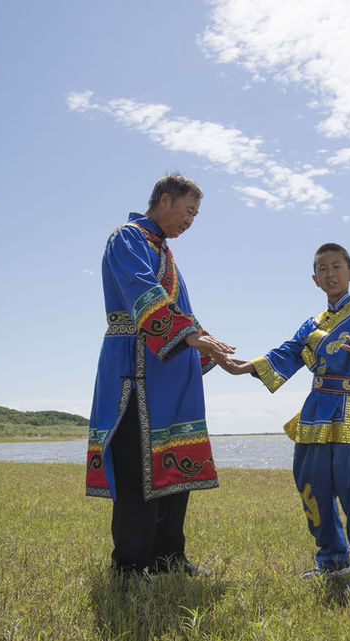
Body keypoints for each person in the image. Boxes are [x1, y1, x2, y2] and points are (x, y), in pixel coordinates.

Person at [220, 243, 350, 596]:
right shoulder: (311, 325)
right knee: (312, 486)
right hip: (316, 411)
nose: (331, 274)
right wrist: (249, 366)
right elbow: (287, 353)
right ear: (315, 279)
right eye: (323, 269)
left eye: (337, 267)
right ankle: (332, 561)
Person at [85, 173, 235, 580]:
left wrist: (213, 350)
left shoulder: (165, 252)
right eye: (188, 211)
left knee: (175, 468)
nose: (191, 221)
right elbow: (142, 293)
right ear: (165, 200)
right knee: (139, 470)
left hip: (172, 378)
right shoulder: (127, 238)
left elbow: (183, 313)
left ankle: (167, 559)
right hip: (137, 372)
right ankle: (130, 566)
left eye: (196, 215)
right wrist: (188, 336)